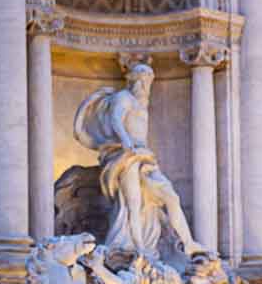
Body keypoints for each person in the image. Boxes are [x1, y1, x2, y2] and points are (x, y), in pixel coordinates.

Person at [73, 63, 204, 258]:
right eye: (144, 81)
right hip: (126, 155)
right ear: (136, 81)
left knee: (171, 197)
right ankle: (139, 249)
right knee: (132, 203)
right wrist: (126, 142)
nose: (146, 86)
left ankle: (188, 243)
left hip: (145, 156)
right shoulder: (123, 97)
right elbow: (116, 119)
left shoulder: (140, 102)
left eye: (149, 81)